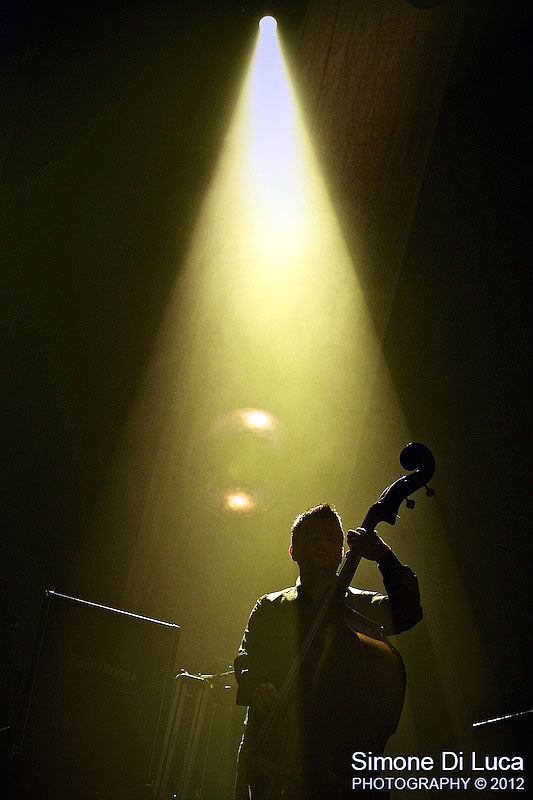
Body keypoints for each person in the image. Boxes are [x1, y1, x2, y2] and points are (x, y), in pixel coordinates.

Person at [233, 503, 423, 800]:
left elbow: (408, 611)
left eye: (331, 538)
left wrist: (384, 557)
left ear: (342, 552)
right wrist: (256, 684)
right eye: (312, 538)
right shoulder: (269, 607)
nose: (323, 544)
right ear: (293, 551)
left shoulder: (361, 607)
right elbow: (246, 658)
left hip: (344, 769)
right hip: (274, 758)